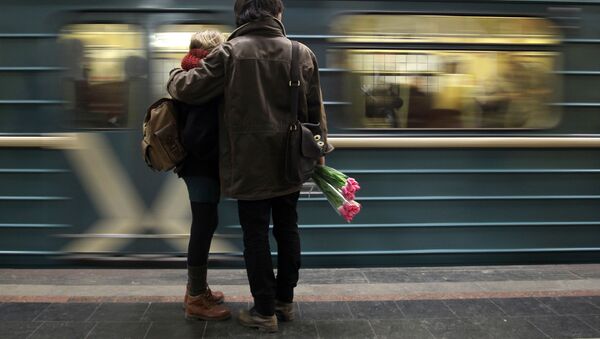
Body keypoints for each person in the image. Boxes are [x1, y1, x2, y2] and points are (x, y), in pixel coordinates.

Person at [167, 0, 330, 332]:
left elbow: (187, 88)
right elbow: (315, 114)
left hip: (247, 163)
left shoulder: (229, 53)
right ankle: (284, 302)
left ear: (240, 16)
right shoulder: (302, 53)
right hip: (290, 161)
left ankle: (263, 311)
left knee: (255, 236)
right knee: (288, 229)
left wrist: (173, 74)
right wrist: (319, 157)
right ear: (277, 14)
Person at [175, 30, 231, 322]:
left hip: (195, 165)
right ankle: (196, 298)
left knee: (206, 223)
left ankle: (197, 290)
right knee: (203, 225)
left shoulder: (187, 73)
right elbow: (199, 134)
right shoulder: (204, 83)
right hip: (202, 165)